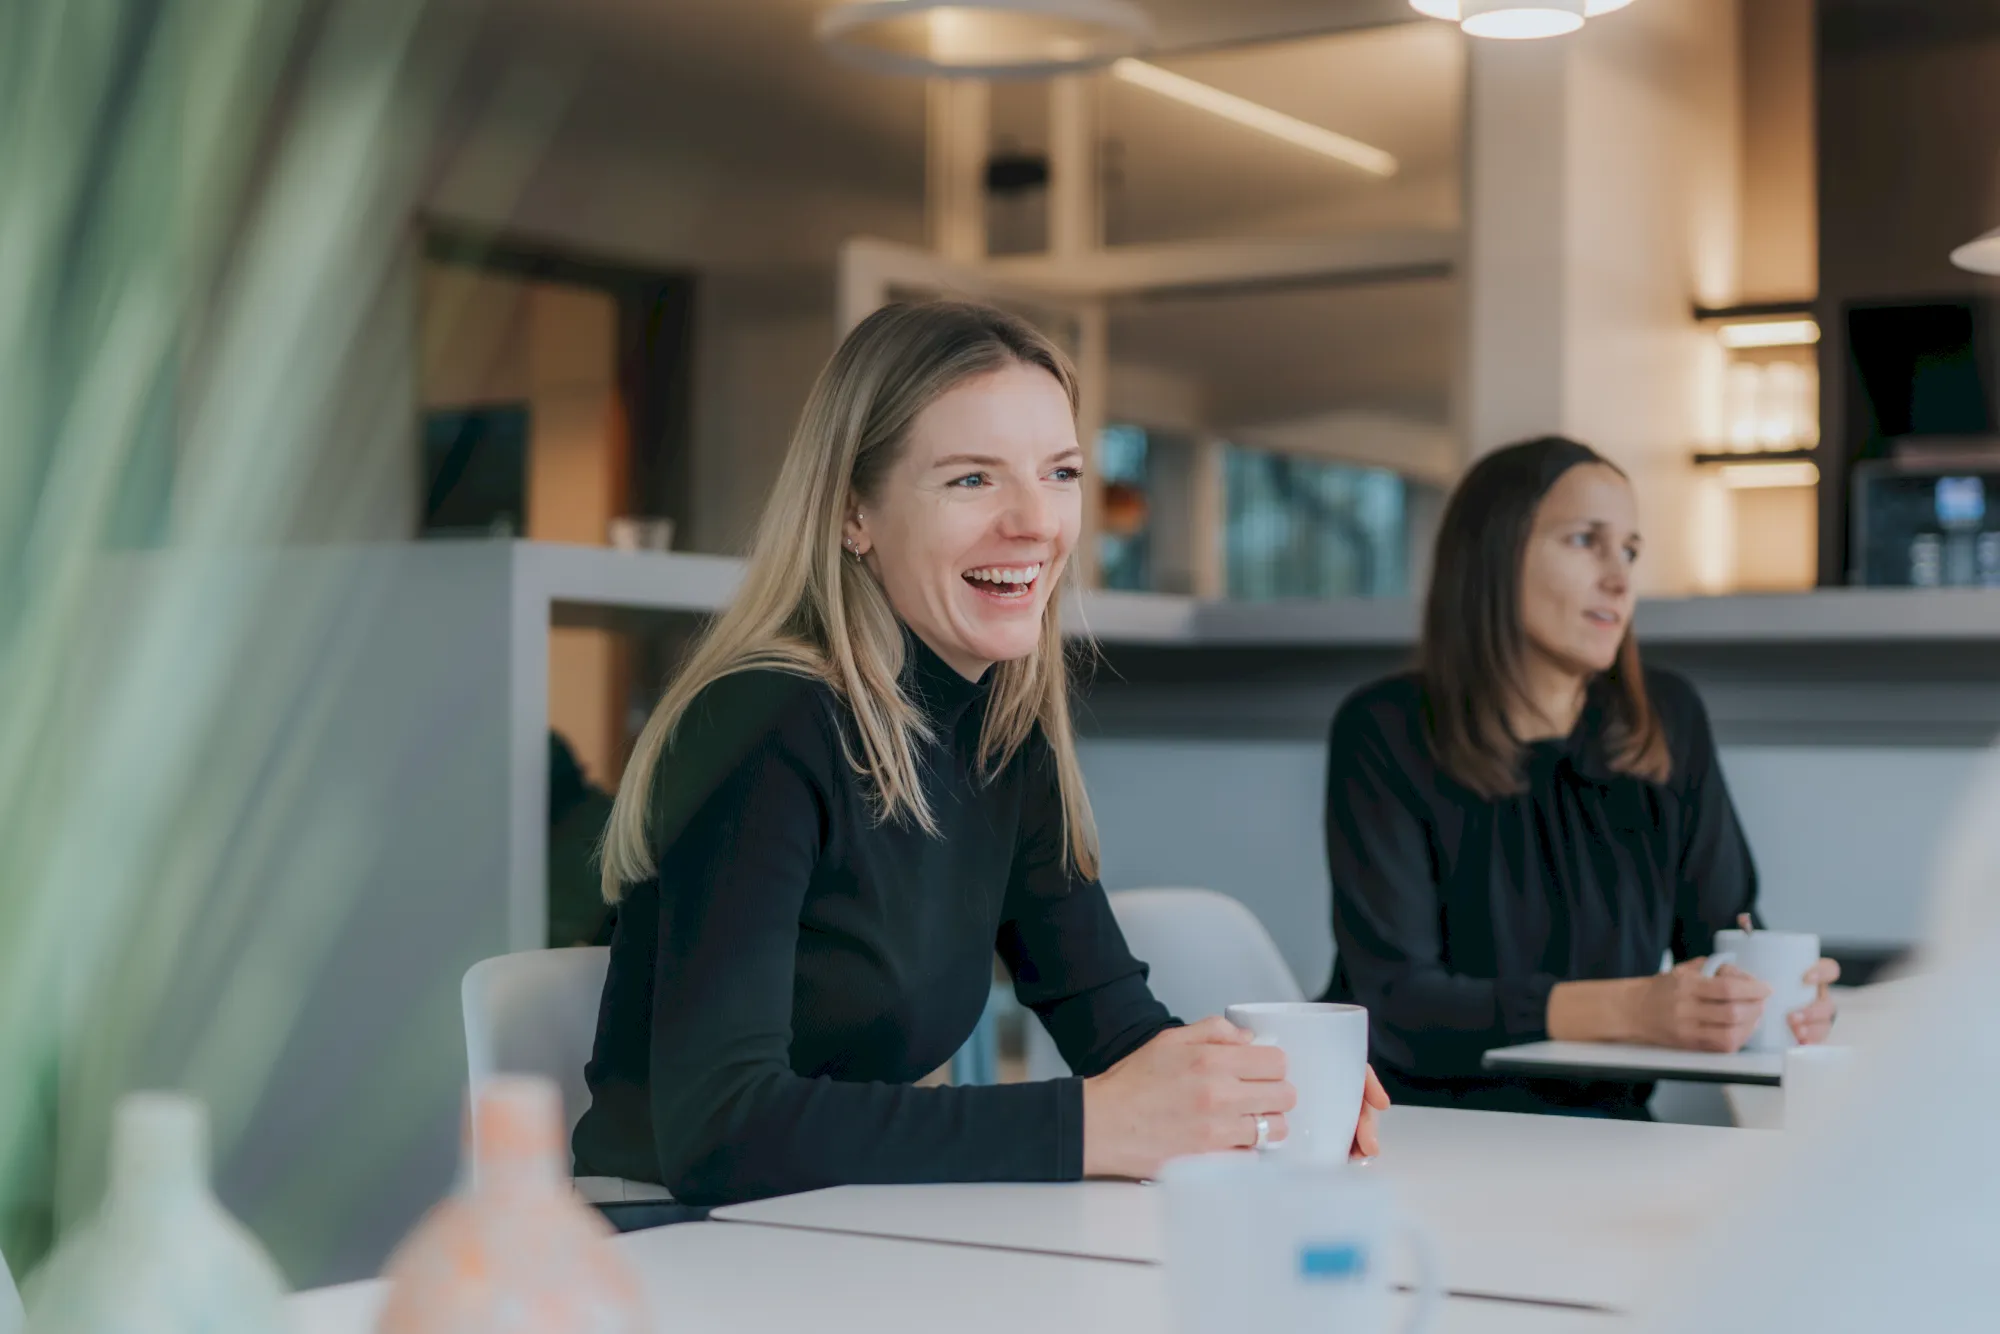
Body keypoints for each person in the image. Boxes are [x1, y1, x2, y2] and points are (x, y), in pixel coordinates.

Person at [573, 301, 1387, 1205]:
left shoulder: (1001, 733)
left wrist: (1259, 1094)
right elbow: (720, 1129)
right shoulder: (764, 723)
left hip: (842, 1230)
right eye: (971, 479)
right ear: (853, 512)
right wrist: (1090, 1124)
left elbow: (1109, 1022)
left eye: (1061, 473)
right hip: (672, 1241)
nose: (1036, 521)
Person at [1321, 436, 1840, 1118]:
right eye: (1584, 541)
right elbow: (1396, 1006)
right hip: (1423, 1126)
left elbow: (1724, 934)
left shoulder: (1668, 718)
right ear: (1493, 556)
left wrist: (1772, 998)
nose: (1620, 580)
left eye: (1630, 550)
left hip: (1611, 1132)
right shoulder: (1385, 730)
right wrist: (1632, 1008)